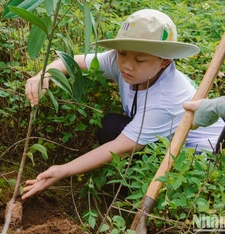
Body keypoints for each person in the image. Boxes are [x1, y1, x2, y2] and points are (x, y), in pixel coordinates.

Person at [22, 9, 225, 200]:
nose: (127, 65)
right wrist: (44, 73)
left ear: (164, 61)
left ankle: (129, 195)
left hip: (198, 156)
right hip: (162, 138)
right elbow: (73, 61)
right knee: (110, 125)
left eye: (140, 59)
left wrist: (63, 170)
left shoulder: (165, 99)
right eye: (122, 54)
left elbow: (120, 147)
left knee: (117, 138)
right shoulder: (122, 60)